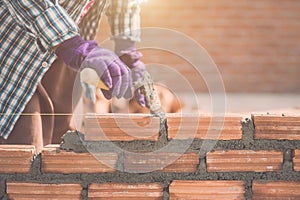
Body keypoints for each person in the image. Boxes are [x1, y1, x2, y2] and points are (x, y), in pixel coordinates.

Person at [0, 0, 147, 152]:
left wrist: (126, 47)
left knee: (59, 149)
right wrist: (70, 44)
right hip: (16, 54)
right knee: (25, 148)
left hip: (64, 58)